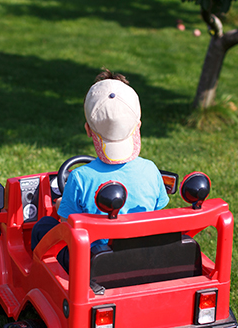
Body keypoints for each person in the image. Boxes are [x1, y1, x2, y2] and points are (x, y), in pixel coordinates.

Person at [31, 69, 169, 272]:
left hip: (95, 265)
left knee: (42, 227)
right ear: (138, 125)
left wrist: (62, 204)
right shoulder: (150, 170)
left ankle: (39, 277)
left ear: (88, 130)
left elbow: (66, 227)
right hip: (141, 258)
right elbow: (157, 212)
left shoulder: (80, 177)